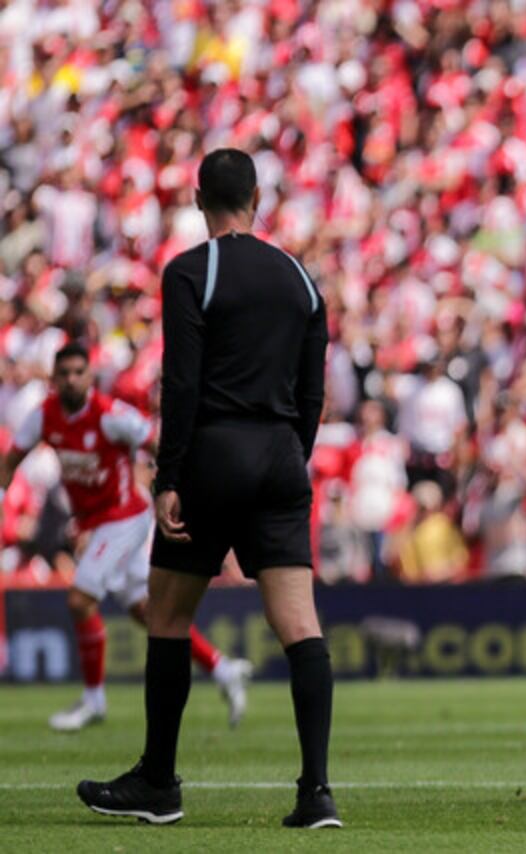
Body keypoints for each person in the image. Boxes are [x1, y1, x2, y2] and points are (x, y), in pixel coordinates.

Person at [76, 149, 339, 828]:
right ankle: (316, 794)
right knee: (300, 625)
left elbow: (184, 384)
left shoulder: (193, 270)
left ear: (199, 199)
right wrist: (292, 459)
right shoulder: (301, 279)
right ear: (258, 196)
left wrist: (168, 478)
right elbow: (313, 390)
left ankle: (159, 784)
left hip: (214, 455)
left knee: (166, 617)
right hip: (282, 456)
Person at [1, 342, 252, 732]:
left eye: (78, 372)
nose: (71, 380)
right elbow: (10, 462)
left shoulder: (109, 415)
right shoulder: (43, 417)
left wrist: (174, 487)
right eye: (63, 373)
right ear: (53, 379)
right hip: (95, 523)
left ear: (89, 376)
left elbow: (157, 443)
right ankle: (222, 669)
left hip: (125, 518)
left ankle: (93, 700)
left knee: (80, 599)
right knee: (149, 614)